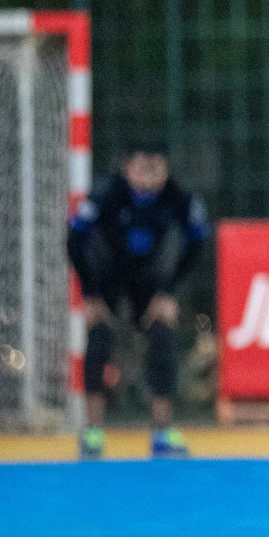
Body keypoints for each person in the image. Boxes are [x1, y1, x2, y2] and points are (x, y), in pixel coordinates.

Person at [67, 145, 210, 460]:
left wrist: (168, 291)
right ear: (126, 167)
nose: (149, 176)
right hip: (108, 276)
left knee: (163, 333)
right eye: (141, 168)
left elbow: (198, 241)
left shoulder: (178, 196)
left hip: (149, 280)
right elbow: (74, 240)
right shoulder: (106, 194)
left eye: (156, 167)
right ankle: (92, 432)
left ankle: (162, 432)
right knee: (99, 336)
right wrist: (90, 295)